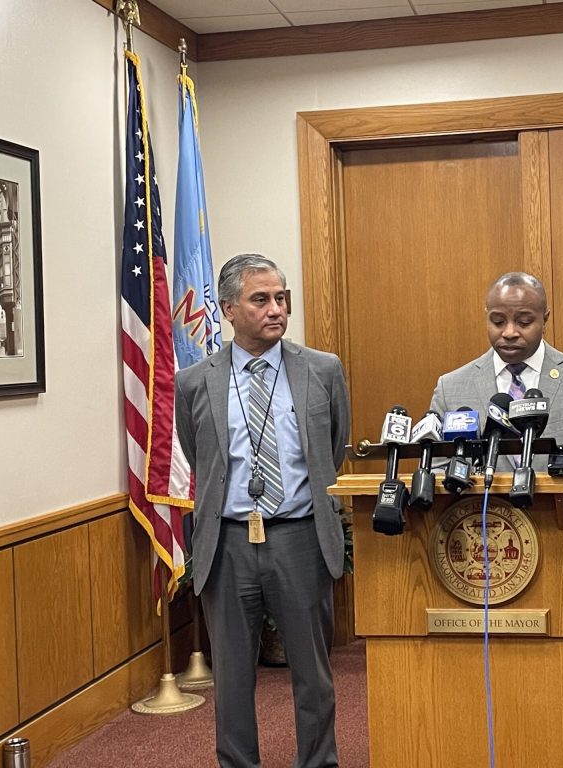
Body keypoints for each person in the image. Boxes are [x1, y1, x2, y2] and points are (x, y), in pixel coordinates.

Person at [174, 254, 350, 768]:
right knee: (231, 678)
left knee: (313, 675)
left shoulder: (322, 369)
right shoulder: (193, 382)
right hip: (227, 542)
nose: (276, 309)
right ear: (228, 309)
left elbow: (333, 448)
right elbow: (196, 450)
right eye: (261, 299)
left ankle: (318, 763)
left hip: (300, 536)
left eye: (281, 297)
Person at [430, 271, 563, 477]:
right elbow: (434, 473)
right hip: (481, 509)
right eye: (498, 321)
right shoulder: (450, 388)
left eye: (524, 322)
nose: (509, 332)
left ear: (545, 320)